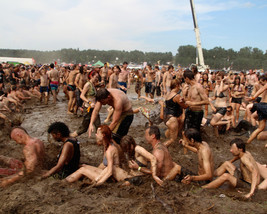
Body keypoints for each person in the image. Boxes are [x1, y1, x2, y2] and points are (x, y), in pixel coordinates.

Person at [71, 70, 101, 137]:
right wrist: (89, 102)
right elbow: (82, 95)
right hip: (88, 108)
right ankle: (70, 137)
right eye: (96, 77)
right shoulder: (87, 84)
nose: (97, 79)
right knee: (83, 128)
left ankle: (101, 141)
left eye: (98, 77)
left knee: (98, 126)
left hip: (94, 109)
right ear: (91, 76)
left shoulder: (93, 85)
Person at [163, 79, 187, 147]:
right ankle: (161, 148)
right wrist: (190, 103)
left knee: (169, 136)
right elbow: (184, 106)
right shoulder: (176, 96)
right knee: (173, 139)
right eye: (179, 86)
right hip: (172, 119)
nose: (180, 88)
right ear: (177, 85)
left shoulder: (168, 94)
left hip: (167, 117)